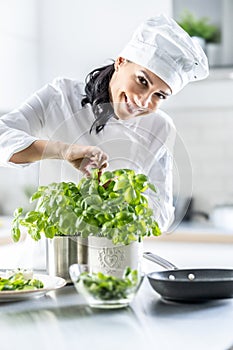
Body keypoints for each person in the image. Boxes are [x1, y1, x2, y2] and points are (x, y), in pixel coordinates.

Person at [0, 14, 209, 232]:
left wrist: (121, 193)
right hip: (52, 255)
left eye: (160, 95)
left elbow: (162, 216)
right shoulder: (59, 96)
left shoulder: (161, 128)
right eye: (142, 81)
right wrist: (64, 150)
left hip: (116, 257)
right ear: (121, 62)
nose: (143, 100)